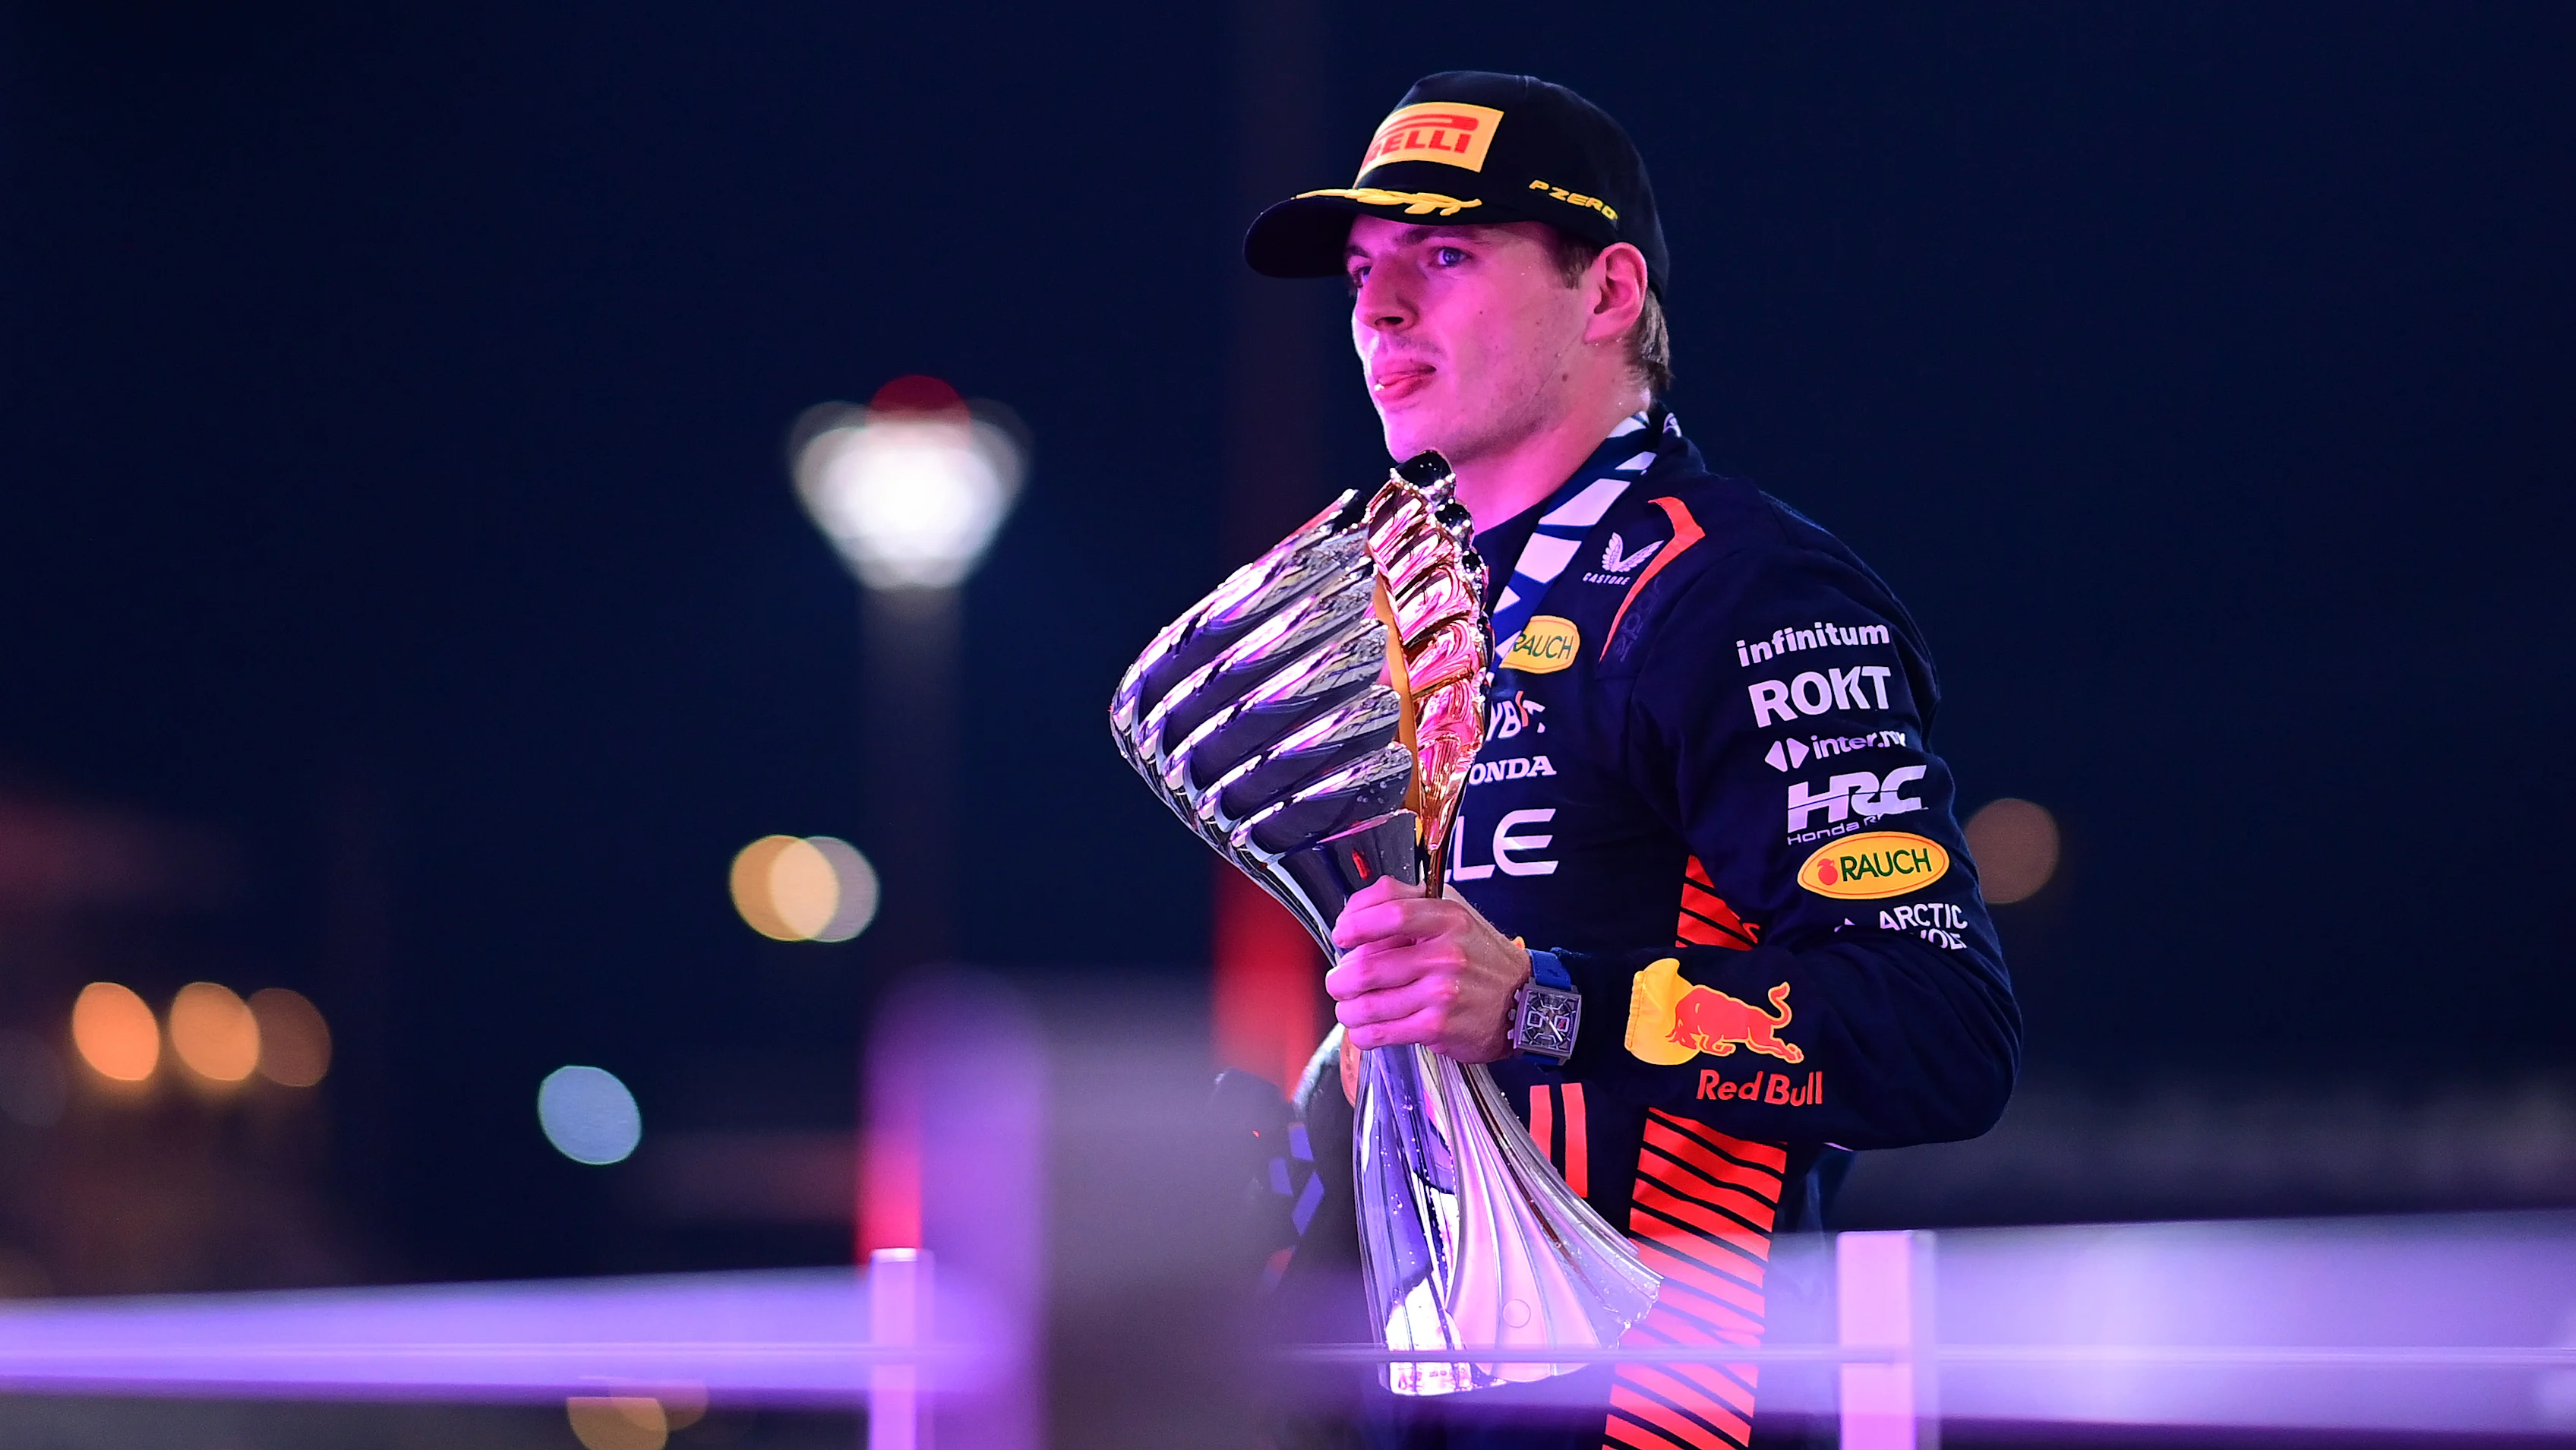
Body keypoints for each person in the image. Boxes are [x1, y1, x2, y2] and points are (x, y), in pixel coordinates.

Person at [1243, 72, 2022, 1450]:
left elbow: (1941, 1033)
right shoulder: (1419, 607)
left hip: (1671, 1411)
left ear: (1607, 295)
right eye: (1364, 271)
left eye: (1445, 254)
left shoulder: (1739, 593)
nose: (1378, 308)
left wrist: (1547, 1009)